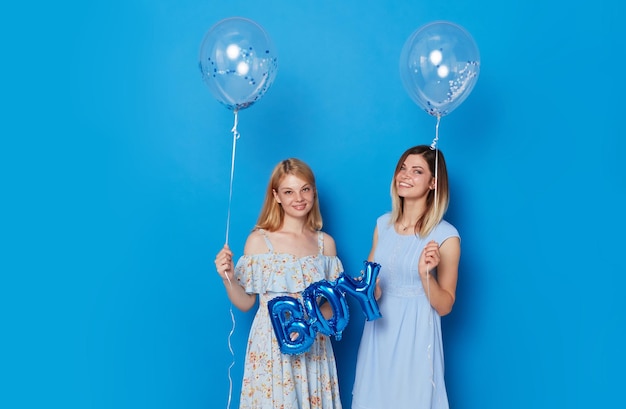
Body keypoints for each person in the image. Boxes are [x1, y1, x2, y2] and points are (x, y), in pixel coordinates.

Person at [214, 158, 344, 409]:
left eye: (304, 189)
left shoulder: (324, 244)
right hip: (272, 344)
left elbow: (333, 306)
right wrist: (227, 276)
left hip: (313, 344)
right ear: (276, 196)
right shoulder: (259, 241)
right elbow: (245, 302)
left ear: (313, 191)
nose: (299, 197)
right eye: (289, 191)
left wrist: (309, 325)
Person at [351, 145, 461, 409]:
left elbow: (445, 305)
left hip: (416, 336)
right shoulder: (383, 225)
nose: (405, 175)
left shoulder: (446, 235)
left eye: (417, 171)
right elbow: (371, 290)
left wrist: (426, 275)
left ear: (433, 183)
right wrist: (368, 290)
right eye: (403, 168)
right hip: (379, 333)